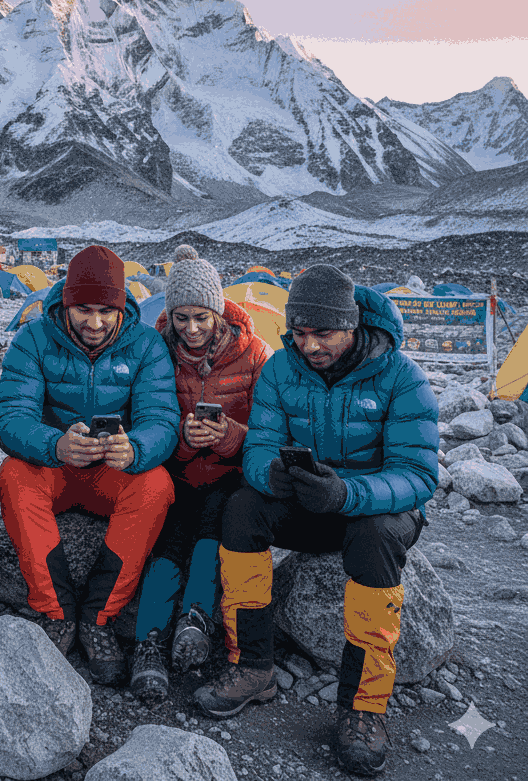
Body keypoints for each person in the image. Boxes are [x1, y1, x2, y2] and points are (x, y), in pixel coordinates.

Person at [193, 265, 439, 777]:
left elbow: (417, 475)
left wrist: (347, 493)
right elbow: (259, 445)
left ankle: (364, 708)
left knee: (374, 537)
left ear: (351, 326)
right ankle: (252, 666)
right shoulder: (282, 370)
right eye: (300, 334)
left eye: (323, 334)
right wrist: (269, 475)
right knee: (241, 507)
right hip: (308, 500)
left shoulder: (400, 375)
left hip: (372, 510)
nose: (310, 347)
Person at [0, 244, 180, 685]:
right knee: (13, 477)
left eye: (105, 311)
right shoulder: (33, 339)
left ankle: (98, 618)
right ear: (66, 303)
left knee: (156, 485)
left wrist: (134, 449)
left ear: (122, 308)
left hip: (111, 472)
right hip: (55, 467)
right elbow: (10, 417)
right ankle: (56, 613)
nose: (94, 323)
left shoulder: (146, 345)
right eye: (84, 310)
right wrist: (55, 444)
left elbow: (162, 421)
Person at [130, 245, 273, 700]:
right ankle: (148, 641)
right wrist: (184, 436)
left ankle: (195, 618)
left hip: (231, 472)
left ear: (218, 313)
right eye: (181, 318)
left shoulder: (254, 355)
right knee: (171, 530)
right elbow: (145, 414)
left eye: (201, 318)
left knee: (215, 517)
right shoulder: (157, 352)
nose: (191, 329)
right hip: (179, 467)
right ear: (170, 316)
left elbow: (270, 432)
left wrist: (229, 435)